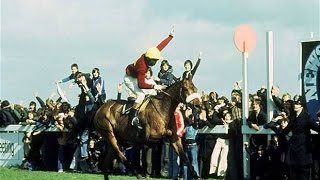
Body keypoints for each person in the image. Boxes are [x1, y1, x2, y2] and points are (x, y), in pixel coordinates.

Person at [124, 26, 174, 129]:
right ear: (150, 59)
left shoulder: (149, 54)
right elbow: (141, 84)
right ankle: (132, 117)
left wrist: (170, 37)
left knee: (152, 93)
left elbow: (160, 46)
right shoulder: (142, 67)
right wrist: (155, 86)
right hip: (130, 79)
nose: (156, 62)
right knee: (141, 95)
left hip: (138, 77)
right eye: (155, 61)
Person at [279, 95, 319, 180]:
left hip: (303, 150)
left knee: (303, 174)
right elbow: (286, 130)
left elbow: (317, 128)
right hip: (294, 150)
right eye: (294, 103)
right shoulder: (293, 117)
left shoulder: (306, 117)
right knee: (293, 173)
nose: (295, 105)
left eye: (297, 103)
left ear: (302, 105)